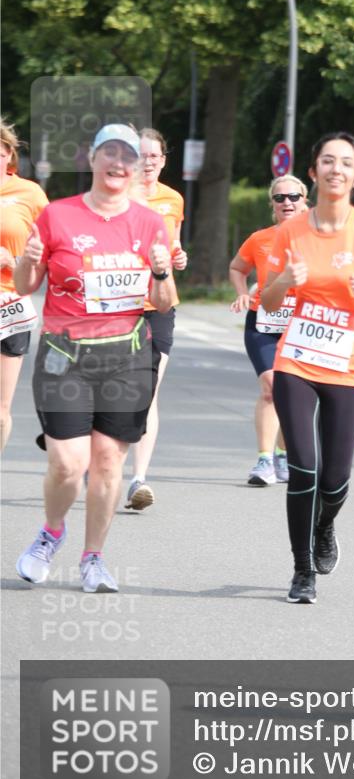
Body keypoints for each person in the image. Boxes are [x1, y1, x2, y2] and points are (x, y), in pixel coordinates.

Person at [14, 124, 176, 593]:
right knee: (68, 463)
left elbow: (164, 302)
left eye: (128, 156)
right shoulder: (57, 216)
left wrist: (162, 270)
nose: (119, 163)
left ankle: (93, 558)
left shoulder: (149, 222)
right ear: (92, 159)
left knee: (108, 463)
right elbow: (27, 285)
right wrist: (27, 259)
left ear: (135, 168)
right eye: (110, 152)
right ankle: (52, 531)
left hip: (126, 356)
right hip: (65, 356)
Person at [262, 133, 354, 603]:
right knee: (303, 468)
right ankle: (303, 571)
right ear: (315, 171)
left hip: (350, 365)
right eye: (327, 161)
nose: (336, 169)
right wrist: (284, 279)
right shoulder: (290, 231)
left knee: (335, 478)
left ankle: (325, 526)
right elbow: (267, 301)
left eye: (345, 163)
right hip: (297, 359)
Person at [229, 175, 308, 485]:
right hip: (262, 322)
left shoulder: (319, 238)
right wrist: (241, 292)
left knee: (291, 394)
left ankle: (283, 455)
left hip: (302, 325)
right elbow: (238, 267)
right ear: (272, 205)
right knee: (270, 386)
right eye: (279, 198)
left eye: (293, 197)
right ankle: (264, 461)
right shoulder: (260, 238)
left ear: (305, 200)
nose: (287, 202)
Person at [125, 128, 188, 510]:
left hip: (160, 303)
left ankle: (138, 480)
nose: (148, 162)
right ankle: (101, 458)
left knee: (149, 391)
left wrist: (179, 257)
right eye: (141, 155)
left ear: (164, 160)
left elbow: (175, 244)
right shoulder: (117, 197)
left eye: (154, 156)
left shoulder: (173, 199)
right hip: (119, 303)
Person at [0, 118, 49, 451]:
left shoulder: (29, 193)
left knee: (0, 413)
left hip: (10, 307)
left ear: (9, 154)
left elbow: (50, 250)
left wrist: (14, 263)